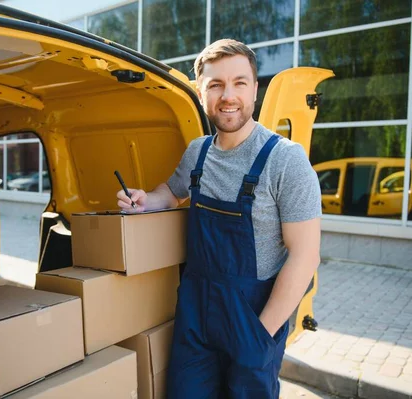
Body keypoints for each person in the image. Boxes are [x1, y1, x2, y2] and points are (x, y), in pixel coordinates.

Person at [116, 39, 322, 398]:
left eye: (239, 82)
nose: (228, 95)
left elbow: (305, 256)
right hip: (196, 314)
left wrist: (259, 337)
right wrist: (146, 200)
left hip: (253, 317)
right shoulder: (197, 152)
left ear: (255, 89)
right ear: (200, 93)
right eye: (215, 85)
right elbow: (173, 191)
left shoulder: (286, 160)